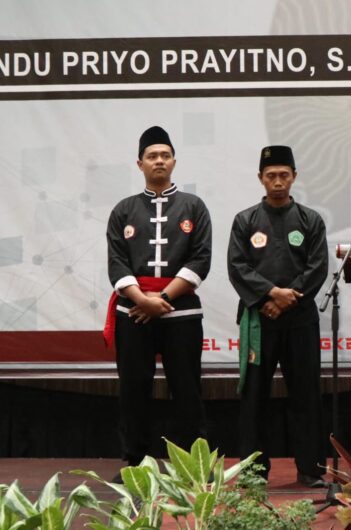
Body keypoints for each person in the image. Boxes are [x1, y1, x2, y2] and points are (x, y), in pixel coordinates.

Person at [105, 126, 211, 469]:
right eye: (152, 156)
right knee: (134, 389)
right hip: (133, 312)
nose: (159, 161)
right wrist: (141, 300)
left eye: (165, 155)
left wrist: (160, 298)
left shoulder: (194, 207)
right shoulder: (123, 210)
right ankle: (136, 463)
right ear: (140, 164)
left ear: (174, 162)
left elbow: (201, 259)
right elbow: (117, 262)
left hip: (181, 313)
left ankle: (192, 464)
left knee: (187, 389)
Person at [227, 145, 329, 487]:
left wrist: (286, 299)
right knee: (254, 396)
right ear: (260, 178)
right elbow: (238, 267)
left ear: (294, 176)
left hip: (299, 320)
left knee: (306, 395)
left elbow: (317, 268)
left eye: (284, 175)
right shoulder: (245, 220)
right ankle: (254, 472)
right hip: (259, 319)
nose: (278, 182)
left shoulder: (311, 220)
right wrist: (269, 295)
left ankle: (310, 468)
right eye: (271, 176)